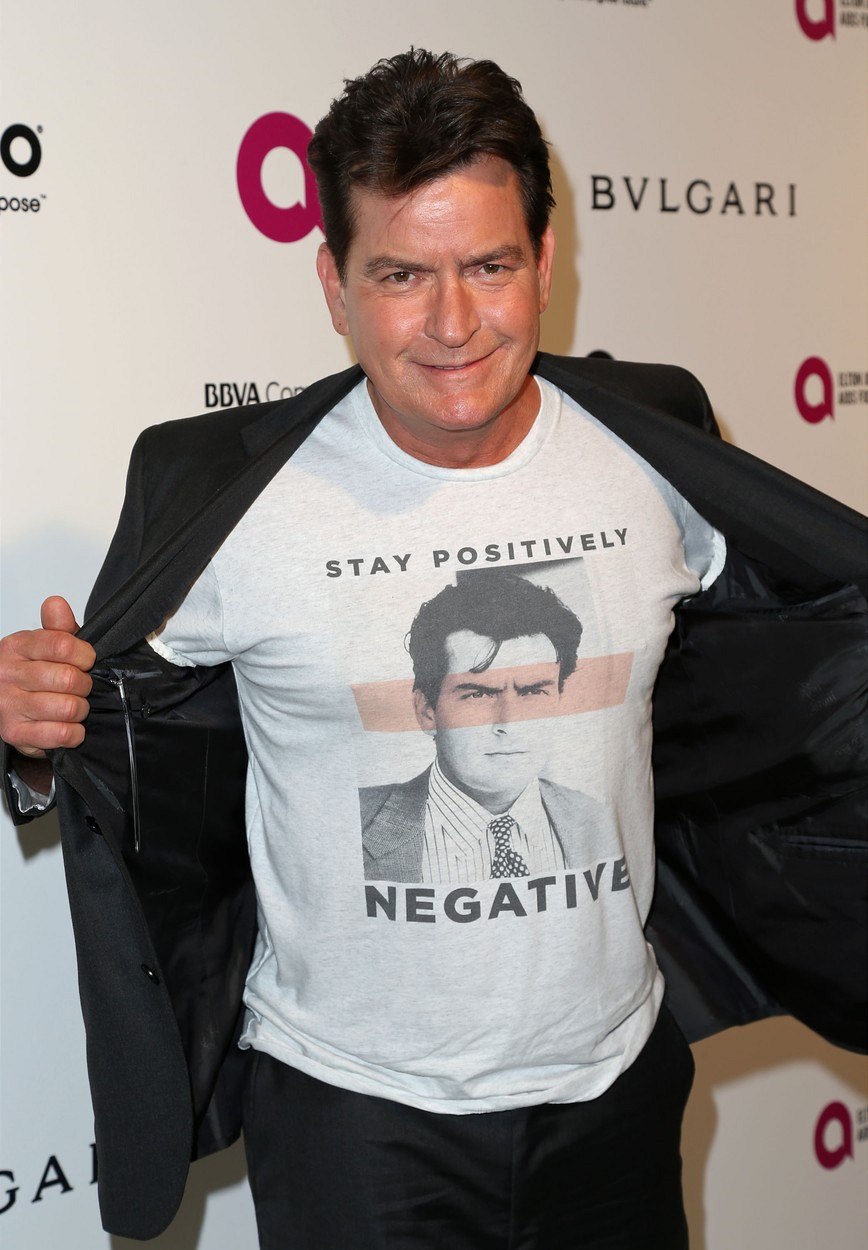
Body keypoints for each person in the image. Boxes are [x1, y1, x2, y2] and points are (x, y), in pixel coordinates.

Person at [0, 48, 865, 1250]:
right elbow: (122, 744)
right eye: (402, 274)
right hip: (355, 1123)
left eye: (488, 266)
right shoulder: (227, 500)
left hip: (617, 1086)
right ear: (334, 282)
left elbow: (780, 671)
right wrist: (32, 732)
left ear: (545, 262)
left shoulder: (655, 451)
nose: (453, 324)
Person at [360, 569, 614, 883]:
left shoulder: (600, 819)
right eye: (478, 694)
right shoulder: (353, 821)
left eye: (533, 692)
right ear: (426, 711)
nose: (509, 723)